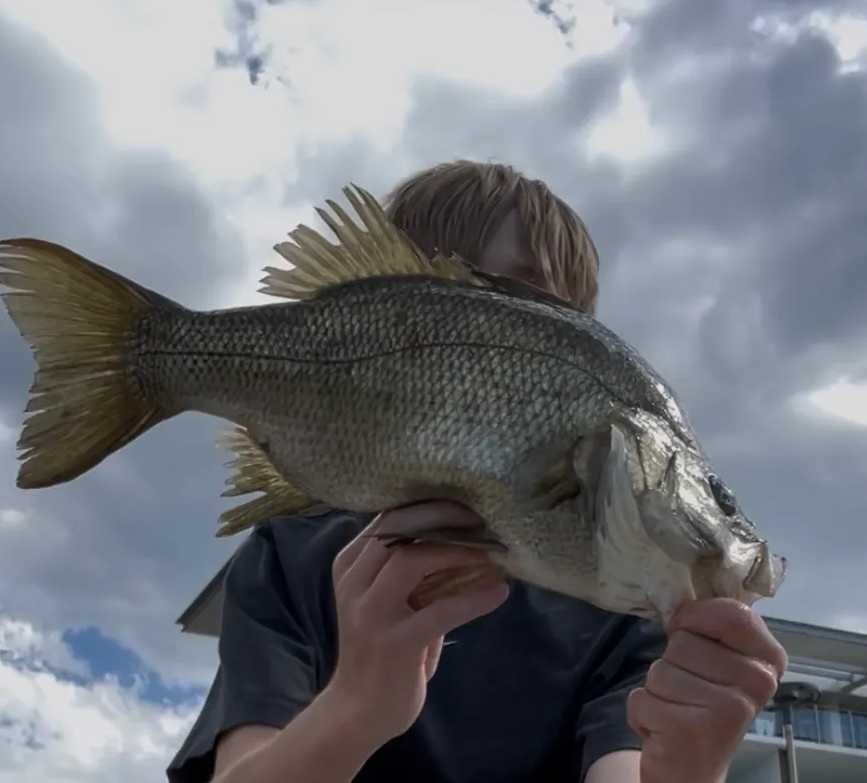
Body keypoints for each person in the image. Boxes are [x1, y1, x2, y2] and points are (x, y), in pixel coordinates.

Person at [167, 161, 787, 783]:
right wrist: (355, 708)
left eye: (531, 305)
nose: (478, 330)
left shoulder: (627, 617)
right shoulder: (290, 554)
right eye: (448, 299)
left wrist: (688, 766)